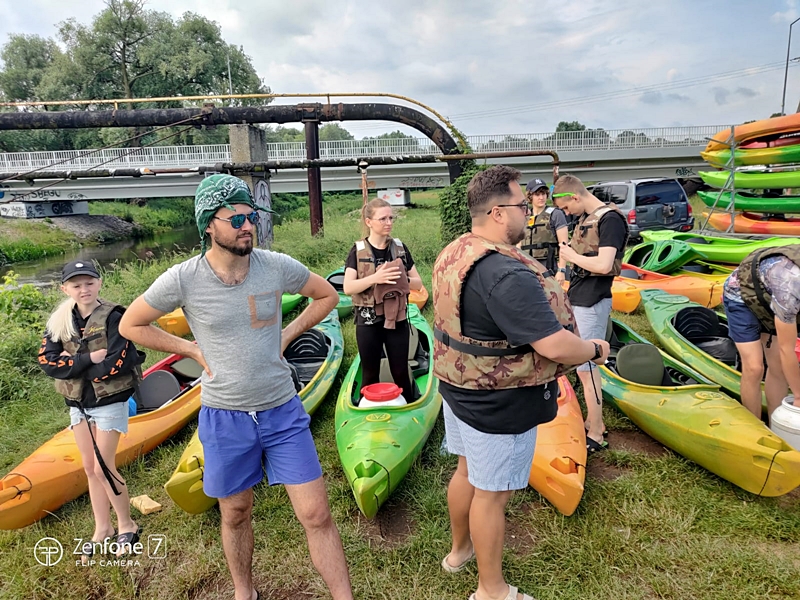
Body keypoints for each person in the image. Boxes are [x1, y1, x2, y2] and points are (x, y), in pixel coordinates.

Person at [118, 174, 353, 600]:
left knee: (317, 514)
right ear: (209, 224)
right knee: (236, 512)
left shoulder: (276, 265)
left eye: (252, 217)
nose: (248, 225)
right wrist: (187, 346)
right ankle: (244, 592)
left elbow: (326, 296)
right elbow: (130, 323)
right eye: (237, 218)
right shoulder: (183, 278)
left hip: (282, 409)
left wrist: (287, 334)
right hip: (225, 415)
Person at [432, 165, 610, 600]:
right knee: (492, 495)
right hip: (499, 401)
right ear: (497, 213)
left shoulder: (456, 249)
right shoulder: (505, 274)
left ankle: (459, 553)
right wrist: (595, 351)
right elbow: (554, 345)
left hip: (457, 387)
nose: (529, 215)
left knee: (466, 471)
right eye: (520, 206)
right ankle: (491, 590)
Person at [38, 259, 144, 561]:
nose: (83, 289)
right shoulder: (59, 321)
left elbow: (117, 360)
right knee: (89, 467)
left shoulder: (114, 316)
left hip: (109, 401)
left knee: (103, 466)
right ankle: (102, 528)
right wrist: (86, 361)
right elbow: (48, 361)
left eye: (89, 282)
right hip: (78, 404)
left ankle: (127, 524)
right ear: (65, 288)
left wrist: (74, 367)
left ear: (99, 282)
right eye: (76, 284)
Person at [552, 174, 628, 454]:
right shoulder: (588, 217)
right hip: (579, 298)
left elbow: (605, 263)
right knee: (582, 367)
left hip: (593, 300)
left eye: (565, 207)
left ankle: (596, 430)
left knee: (589, 367)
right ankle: (590, 421)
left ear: (575, 196)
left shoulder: (610, 220)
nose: (565, 213)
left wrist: (571, 257)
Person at [342, 198, 423, 401]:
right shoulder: (358, 251)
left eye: (390, 218)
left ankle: (408, 408)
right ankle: (367, 412)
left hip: (397, 319)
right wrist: (376, 278)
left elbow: (418, 283)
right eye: (382, 219)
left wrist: (399, 278)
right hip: (368, 319)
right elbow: (348, 287)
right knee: (370, 374)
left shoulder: (400, 248)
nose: (388, 222)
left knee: (400, 372)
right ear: (369, 222)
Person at [722, 245, 800, 418]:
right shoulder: (790, 290)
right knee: (754, 367)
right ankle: (755, 427)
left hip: (768, 295)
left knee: (778, 366)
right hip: (740, 295)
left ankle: (777, 426)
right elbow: (786, 349)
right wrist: (798, 396)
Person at [520, 178, 570, 283]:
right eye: (537, 194)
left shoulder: (556, 214)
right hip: (527, 266)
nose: (541, 197)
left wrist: (561, 270)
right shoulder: (524, 216)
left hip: (549, 265)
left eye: (543, 194)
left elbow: (564, 245)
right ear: (530, 196)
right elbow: (518, 245)